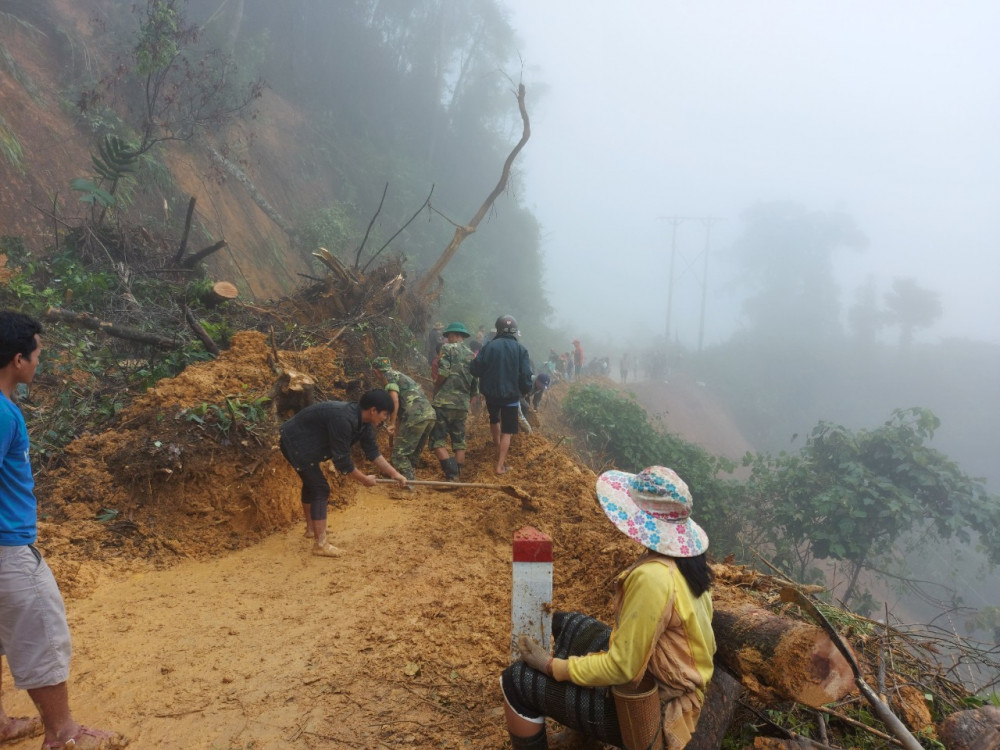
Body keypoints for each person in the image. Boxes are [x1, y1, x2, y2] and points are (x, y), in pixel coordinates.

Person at [501, 466, 715, 750]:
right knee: (568, 624)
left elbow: (623, 668)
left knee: (515, 682)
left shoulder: (653, 578)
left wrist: (551, 666)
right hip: (671, 678)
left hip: (655, 708)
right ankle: (581, 738)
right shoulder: (686, 564)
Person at [0, 311, 126, 749]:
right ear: (18, 360)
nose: (39, 363)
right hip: (6, 548)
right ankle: (64, 735)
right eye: (37, 355)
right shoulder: (3, 413)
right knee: (41, 631)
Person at [279, 389, 407, 556]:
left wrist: (394, 474)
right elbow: (342, 461)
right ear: (373, 410)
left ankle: (312, 529)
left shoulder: (365, 423)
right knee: (320, 488)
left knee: (312, 484)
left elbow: (373, 452)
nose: (385, 418)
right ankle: (320, 544)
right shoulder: (343, 419)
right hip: (295, 442)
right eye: (384, 414)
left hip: (306, 443)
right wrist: (363, 479)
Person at [469, 315, 532, 475]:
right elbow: (526, 375)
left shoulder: (489, 346)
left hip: (491, 394)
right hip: (511, 396)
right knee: (508, 431)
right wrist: (524, 391)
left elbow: (475, 369)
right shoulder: (521, 350)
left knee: (494, 419)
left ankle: (496, 448)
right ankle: (499, 465)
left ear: (497, 329)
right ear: (515, 332)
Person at [371, 357, 436, 481]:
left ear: (376, 372)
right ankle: (406, 475)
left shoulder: (388, 377)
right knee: (411, 454)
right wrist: (395, 431)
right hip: (429, 415)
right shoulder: (400, 376)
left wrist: (392, 423)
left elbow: (394, 400)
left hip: (415, 415)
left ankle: (410, 485)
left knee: (399, 456)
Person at [430, 322, 477, 481]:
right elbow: (475, 383)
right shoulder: (472, 355)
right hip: (462, 405)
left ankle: (452, 475)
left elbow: (442, 372)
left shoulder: (447, 349)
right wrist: (469, 401)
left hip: (444, 402)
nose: (447, 338)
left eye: (449, 335)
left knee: (437, 440)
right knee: (459, 442)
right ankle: (458, 476)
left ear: (456, 335)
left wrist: (436, 387)